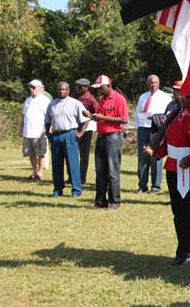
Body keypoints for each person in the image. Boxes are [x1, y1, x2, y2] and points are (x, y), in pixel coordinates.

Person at [156, 91, 190, 266]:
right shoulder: (176, 113)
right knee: (178, 211)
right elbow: (169, 138)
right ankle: (181, 249)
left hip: (188, 168)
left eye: (187, 96)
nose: (182, 98)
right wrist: (158, 152)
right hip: (173, 166)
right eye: (181, 96)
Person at [89, 75, 129, 210]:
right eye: (97, 88)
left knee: (112, 171)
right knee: (100, 171)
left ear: (108, 86)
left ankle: (115, 201)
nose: (99, 90)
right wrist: (94, 117)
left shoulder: (119, 99)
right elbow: (102, 117)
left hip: (113, 137)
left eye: (101, 87)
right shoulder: (101, 100)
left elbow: (124, 119)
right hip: (101, 136)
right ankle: (100, 201)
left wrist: (103, 117)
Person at [45, 82, 89, 198]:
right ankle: (57, 189)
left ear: (69, 90)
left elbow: (85, 119)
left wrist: (80, 133)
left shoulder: (75, 103)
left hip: (70, 134)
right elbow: (47, 121)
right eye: (59, 90)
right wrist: (48, 134)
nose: (61, 91)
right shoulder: (52, 104)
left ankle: (76, 190)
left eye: (64, 89)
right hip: (56, 135)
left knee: (72, 163)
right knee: (57, 164)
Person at [135, 75, 171, 194]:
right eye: (151, 83)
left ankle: (155, 186)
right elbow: (138, 113)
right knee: (142, 157)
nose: (153, 85)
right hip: (143, 128)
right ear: (147, 84)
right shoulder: (143, 97)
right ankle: (142, 185)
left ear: (159, 83)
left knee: (155, 157)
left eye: (155, 83)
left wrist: (155, 118)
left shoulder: (165, 97)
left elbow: (168, 115)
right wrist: (138, 127)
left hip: (156, 129)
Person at [21, 79, 50, 181]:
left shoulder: (45, 100)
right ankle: (34, 172)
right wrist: (21, 128)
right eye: (30, 87)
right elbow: (24, 115)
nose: (31, 89)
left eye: (33, 87)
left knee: (41, 153)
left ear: (40, 88)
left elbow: (49, 116)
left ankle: (40, 173)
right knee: (30, 153)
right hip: (27, 131)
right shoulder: (28, 100)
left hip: (40, 131)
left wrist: (47, 129)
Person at [71, 78, 98, 184]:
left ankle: (82, 177)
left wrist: (88, 115)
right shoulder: (73, 96)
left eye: (80, 87)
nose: (77, 88)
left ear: (87, 88)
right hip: (73, 126)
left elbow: (97, 114)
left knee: (83, 154)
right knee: (72, 153)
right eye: (77, 86)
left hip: (86, 128)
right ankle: (72, 176)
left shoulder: (91, 99)